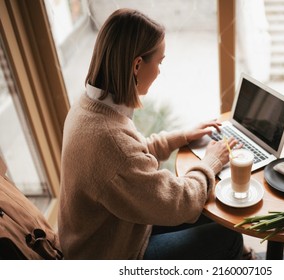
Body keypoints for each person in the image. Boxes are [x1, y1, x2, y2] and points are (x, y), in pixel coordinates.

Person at [58, 8, 247, 260]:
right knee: (229, 235)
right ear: (137, 65)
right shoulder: (110, 141)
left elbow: (128, 162)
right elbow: (179, 202)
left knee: (215, 212)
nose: (159, 70)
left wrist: (180, 136)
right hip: (113, 254)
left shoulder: (89, 106)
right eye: (159, 62)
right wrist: (211, 162)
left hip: (115, 229)